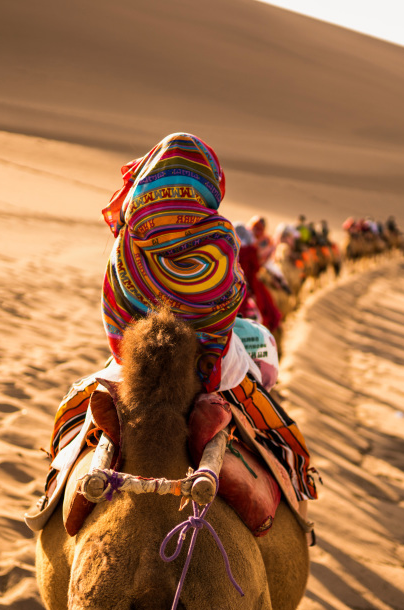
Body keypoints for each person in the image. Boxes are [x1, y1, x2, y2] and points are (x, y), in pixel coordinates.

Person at [33, 133, 318, 533]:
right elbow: (232, 296)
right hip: (207, 366)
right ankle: (295, 477)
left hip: (134, 357)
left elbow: (112, 307)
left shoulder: (127, 239)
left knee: (72, 413)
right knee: (269, 416)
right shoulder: (219, 237)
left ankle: (51, 489)